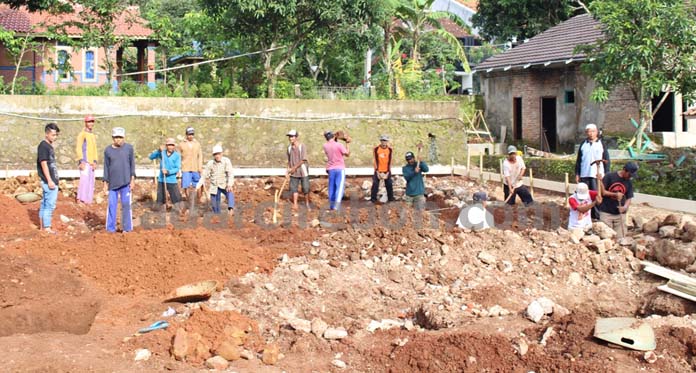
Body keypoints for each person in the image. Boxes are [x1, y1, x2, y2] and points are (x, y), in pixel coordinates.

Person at [103, 127, 135, 233]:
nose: (118, 140)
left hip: (125, 182)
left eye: (120, 137)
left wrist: (132, 179)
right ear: (113, 138)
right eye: (116, 137)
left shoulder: (129, 148)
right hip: (113, 184)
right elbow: (106, 167)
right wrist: (105, 183)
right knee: (112, 205)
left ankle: (127, 228)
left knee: (126, 205)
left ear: (124, 137)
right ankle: (110, 229)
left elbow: (132, 165)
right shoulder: (108, 150)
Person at [575, 123, 610, 220]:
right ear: (586, 133)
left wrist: (606, 174)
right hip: (584, 174)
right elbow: (579, 160)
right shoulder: (583, 144)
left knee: (597, 195)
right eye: (589, 131)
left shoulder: (601, 143)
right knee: (585, 196)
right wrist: (577, 173)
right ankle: (586, 215)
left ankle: (598, 216)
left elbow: (606, 159)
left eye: (593, 131)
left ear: (596, 132)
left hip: (597, 175)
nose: (591, 133)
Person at [599, 162, 637, 239]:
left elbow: (629, 197)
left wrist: (625, 207)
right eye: (629, 175)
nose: (630, 177)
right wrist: (615, 195)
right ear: (624, 170)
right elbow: (603, 192)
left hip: (620, 215)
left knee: (621, 238)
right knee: (607, 238)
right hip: (606, 213)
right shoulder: (609, 176)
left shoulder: (629, 181)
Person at [197, 145, 235, 216]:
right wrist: (198, 185)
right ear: (213, 155)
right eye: (215, 154)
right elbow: (204, 175)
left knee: (230, 193)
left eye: (219, 154)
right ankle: (217, 215)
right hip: (215, 186)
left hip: (224, 184)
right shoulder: (210, 163)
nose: (217, 156)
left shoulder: (226, 161)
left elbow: (230, 174)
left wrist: (229, 184)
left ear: (222, 154)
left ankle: (231, 208)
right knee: (215, 206)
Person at [37, 122, 60, 233]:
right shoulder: (43, 146)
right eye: (53, 135)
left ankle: (42, 227)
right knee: (50, 205)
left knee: (45, 203)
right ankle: (47, 227)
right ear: (47, 134)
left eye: (56, 135)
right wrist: (50, 180)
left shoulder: (48, 146)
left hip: (51, 180)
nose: (54, 137)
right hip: (49, 181)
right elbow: (44, 163)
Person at [148, 138, 182, 211]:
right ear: (166, 146)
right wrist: (158, 150)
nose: (171, 147)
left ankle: (179, 211)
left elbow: (177, 168)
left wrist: (168, 171)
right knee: (160, 198)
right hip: (162, 179)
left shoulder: (176, 155)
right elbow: (151, 157)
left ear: (174, 146)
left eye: (172, 145)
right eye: (169, 145)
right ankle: (161, 211)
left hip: (172, 180)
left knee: (176, 198)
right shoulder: (162, 153)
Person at [323, 130, 350, 211]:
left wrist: (335, 137)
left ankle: (332, 206)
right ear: (333, 136)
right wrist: (347, 143)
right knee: (339, 187)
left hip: (331, 169)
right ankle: (336, 207)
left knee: (332, 188)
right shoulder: (339, 145)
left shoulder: (325, 145)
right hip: (340, 168)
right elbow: (347, 154)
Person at [75, 115, 98, 204]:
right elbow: (79, 148)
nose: (91, 123)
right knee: (83, 180)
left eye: (92, 121)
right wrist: (81, 160)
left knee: (90, 181)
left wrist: (95, 161)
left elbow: (95, 149)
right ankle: (80, 199)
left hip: (91, 162)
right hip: (85, 161)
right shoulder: (82, 134)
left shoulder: (92, 135)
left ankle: (87, 200)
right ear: (85, 123)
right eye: (89, 121)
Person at [286, 129, 311, 210]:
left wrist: (294, 167)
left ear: (296, 137)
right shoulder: (289, 148)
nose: (291, 138)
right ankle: (295, 204)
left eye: (292, 136)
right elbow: (289, 160)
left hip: (302, 171)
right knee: (294, 188)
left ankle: (307, 203)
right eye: (290, 137)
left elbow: (304, 159)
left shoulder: (302, 146)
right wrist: (288, 170)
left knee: (305, 188)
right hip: (293, 172)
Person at [179, 127, 203, 202]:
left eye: (192, 134)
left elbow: (200, 156)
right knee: (186, 185)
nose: (191, 136)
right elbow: (178, 157)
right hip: (185, 167)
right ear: (186, 135)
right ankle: (188, 199)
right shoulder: (181, 144)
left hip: (195, 167)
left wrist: (200, 167)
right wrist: (179, 169)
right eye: (189, 134)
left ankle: (198, 199)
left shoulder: (197, 144)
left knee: (198, 184)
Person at [370, 134, 395, 203]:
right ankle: (373, 199)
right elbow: (375, 160)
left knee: (389, 184)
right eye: (383, 140)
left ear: (387, 141)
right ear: (380, 141)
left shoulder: (390, 149)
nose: (384, 142)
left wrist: (388, 172)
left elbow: (390, 161)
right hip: (378, 170)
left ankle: (391, 199)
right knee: (375, 184)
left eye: (385, 141)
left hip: (386, 170)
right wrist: (377, 172)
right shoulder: (376, 149)